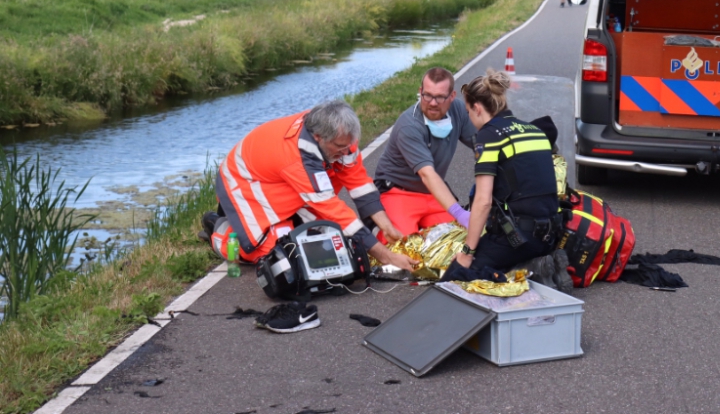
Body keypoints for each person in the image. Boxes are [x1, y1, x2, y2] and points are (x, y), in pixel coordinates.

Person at [204, 99, 417, 273]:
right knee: (278, 253)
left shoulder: (337, 135)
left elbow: (359, 184)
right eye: (341, 147)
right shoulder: (296, 158)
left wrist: (387, 227)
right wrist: (386, 256)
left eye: (348, 146)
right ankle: (220, 229)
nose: (347, 152)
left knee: (323, 240)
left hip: (283, 182)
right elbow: (334, 210)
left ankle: (290, 219)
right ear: (318, 138)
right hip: (245, 185)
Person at [445, 70, 572, 291]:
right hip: (552, 234)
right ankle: (536, 266)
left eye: (468, 112)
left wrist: (467, 254)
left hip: (519, 238)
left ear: (477, 108)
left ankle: (522, 271)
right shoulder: (534, 131)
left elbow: (483, 202)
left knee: (453, 281)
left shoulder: (489, 135)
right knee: (501, 254)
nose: (470, 119)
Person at [359, 67, 477, 240]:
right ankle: (374, 233)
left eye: (440, 97)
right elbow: (426, 174)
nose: (433, 103)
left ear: (452, 96)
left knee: (459, 241)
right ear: (420, 92)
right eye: (427, 95)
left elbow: (483, 145)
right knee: (402, 246)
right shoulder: (409, 125)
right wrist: (459, 213)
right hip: (398, 192)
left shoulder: (458, 111)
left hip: (431, 193)